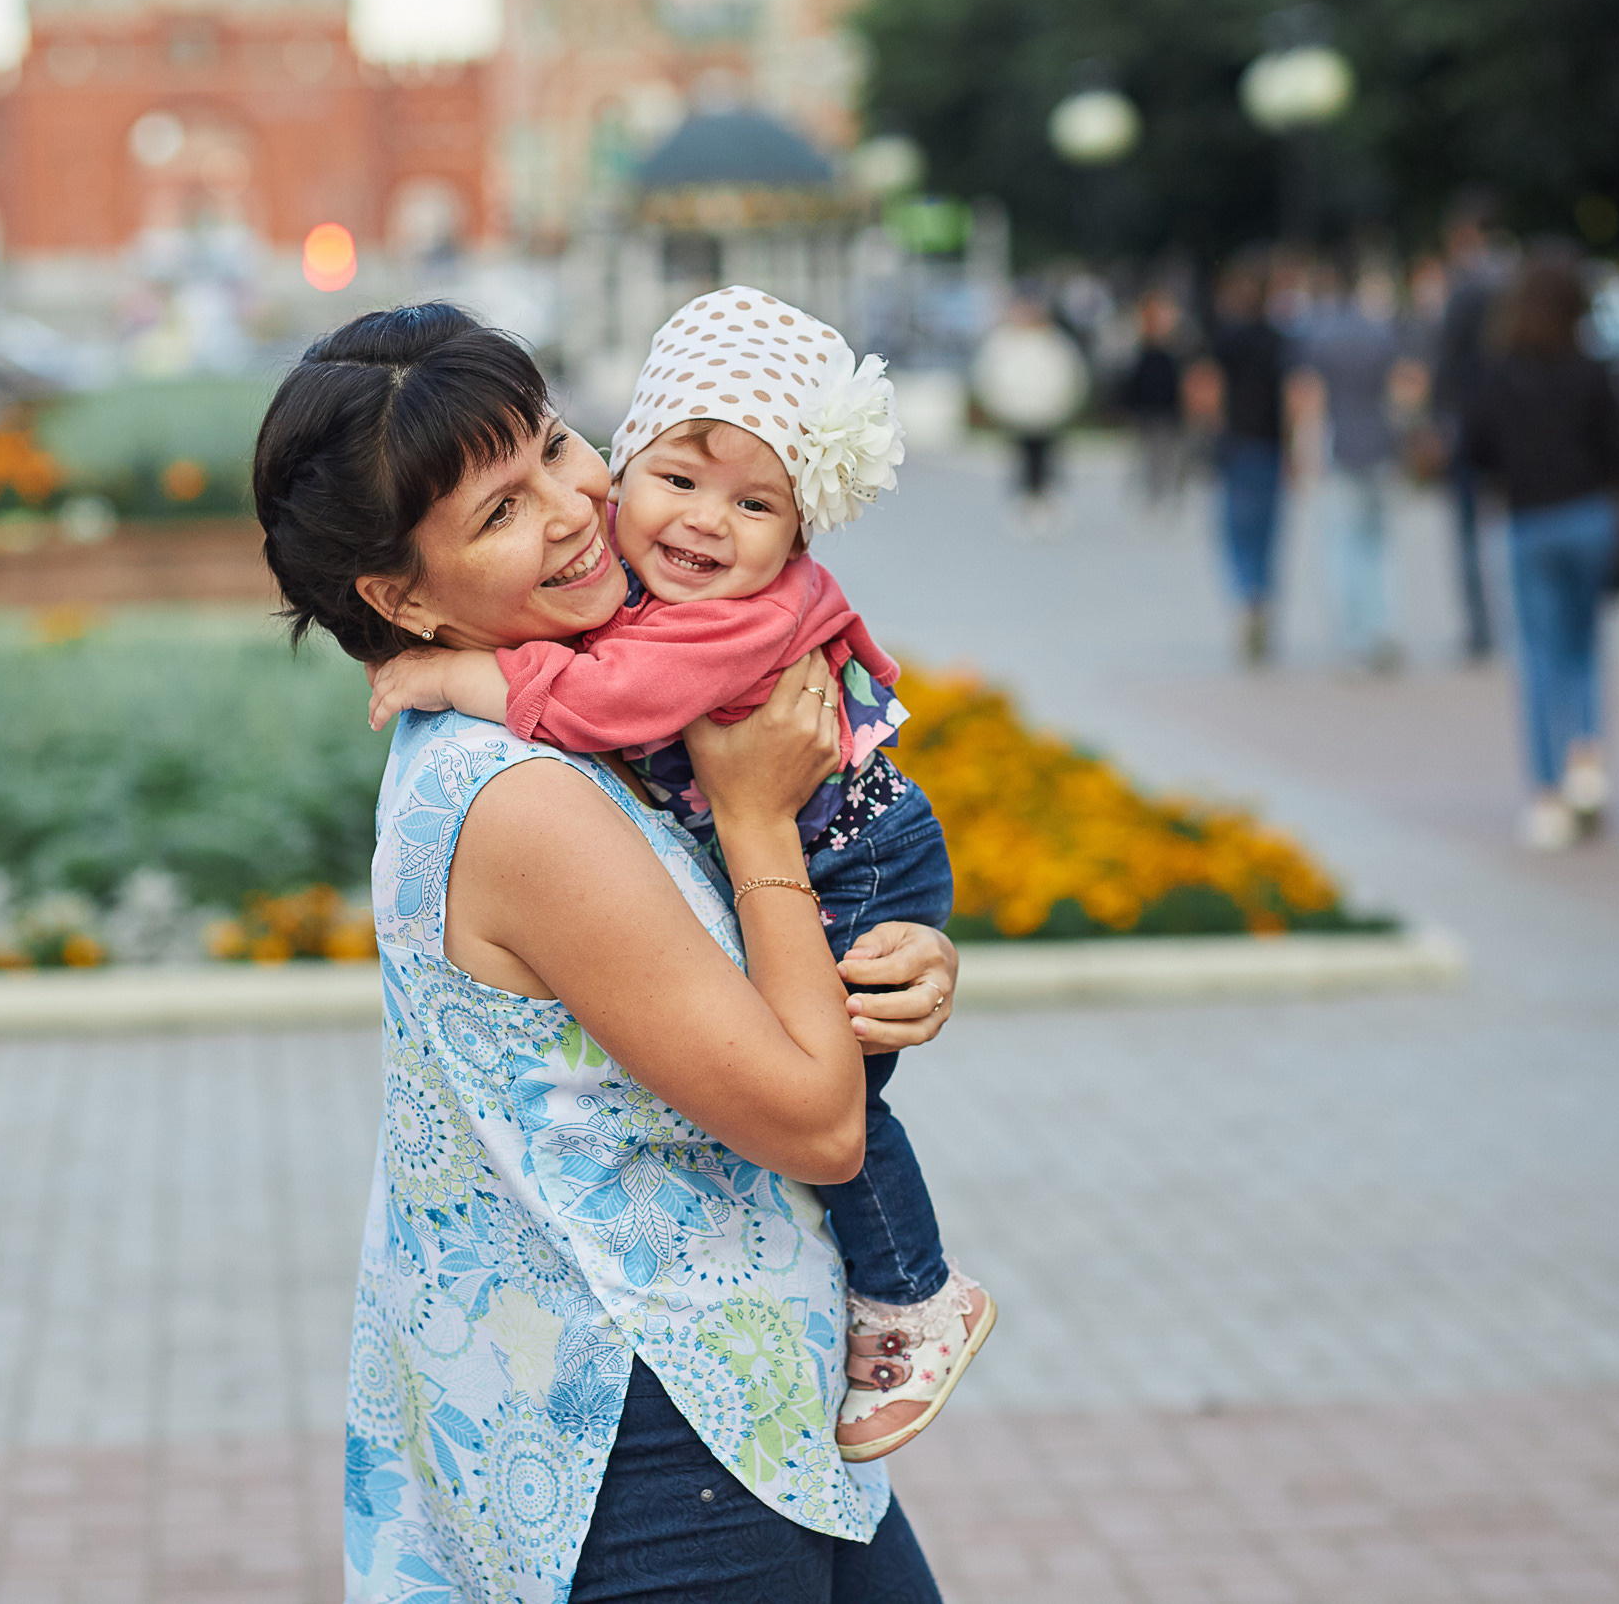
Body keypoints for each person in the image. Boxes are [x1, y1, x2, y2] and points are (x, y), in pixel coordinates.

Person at [253, 302, 961, 1603]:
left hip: (731, 1397)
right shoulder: (519, 795)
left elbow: (730, 975)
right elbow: (816, 1118)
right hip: (649, 1437)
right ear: (400, 595)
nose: (578, 510)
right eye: (498, 513)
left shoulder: (580, 698)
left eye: (555, 447)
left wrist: (899, 946)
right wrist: (756, 816)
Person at [1463, 253, 1619, 850]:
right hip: (1590, 516)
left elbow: (1475, 449)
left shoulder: (1500, 371)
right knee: (1584, 647)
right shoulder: (1592, 370)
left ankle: (1546, 794)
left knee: (1536, 658)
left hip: (1529, 521)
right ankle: (1586, 759)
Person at [1295, 265, 1419, 673]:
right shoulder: (1383, 335)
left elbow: (1309, 397)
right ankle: (1384, 625)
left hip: (1340, 447)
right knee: (1378, 544)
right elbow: (1406, 389)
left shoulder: (1323, 336)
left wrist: (1303, 449)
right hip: (1381, 446)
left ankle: (1351, 635)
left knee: (1342, 545)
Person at [1188, 260, 1290, 665]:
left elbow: (1204, 389)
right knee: (1268, 535)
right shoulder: (1279, 340)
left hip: (1234, 446)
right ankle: (1261, 599)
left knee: (1234, 534)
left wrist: (1207, 428)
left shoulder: (1222, 339)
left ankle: (1245, 597)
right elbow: (1295, 396)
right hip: (1271, 446)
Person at [1433, 192, 1510, 663]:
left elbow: (1447, 362)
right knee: (1503, 526)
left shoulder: (1464, 288)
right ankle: (1506, 624)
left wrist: (1438, 421)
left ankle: (1481, 628)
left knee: (1466, 531)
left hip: (1467, 421)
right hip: (1507, 421)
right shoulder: (1512, 282)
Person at [969, 295, 1086, 527]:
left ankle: (1046, 502)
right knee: (1021, 458)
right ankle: (1023, 503)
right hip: (1017, 412)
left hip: (1048, 412)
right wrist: (999, 404)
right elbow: (988, 376)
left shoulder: (1055, 342)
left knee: (1046, 457)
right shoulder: (1003, 341)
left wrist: (1062, 405)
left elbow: (1071, 376)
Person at [1119, 288, 1188, 509]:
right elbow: (1133, 380)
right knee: (1152, 452)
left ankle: (1172, 491)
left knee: (1173, 453)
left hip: (1172, 408)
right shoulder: (1140, 345)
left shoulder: (1179, 346)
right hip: (1149, 408)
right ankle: (1155, 493)